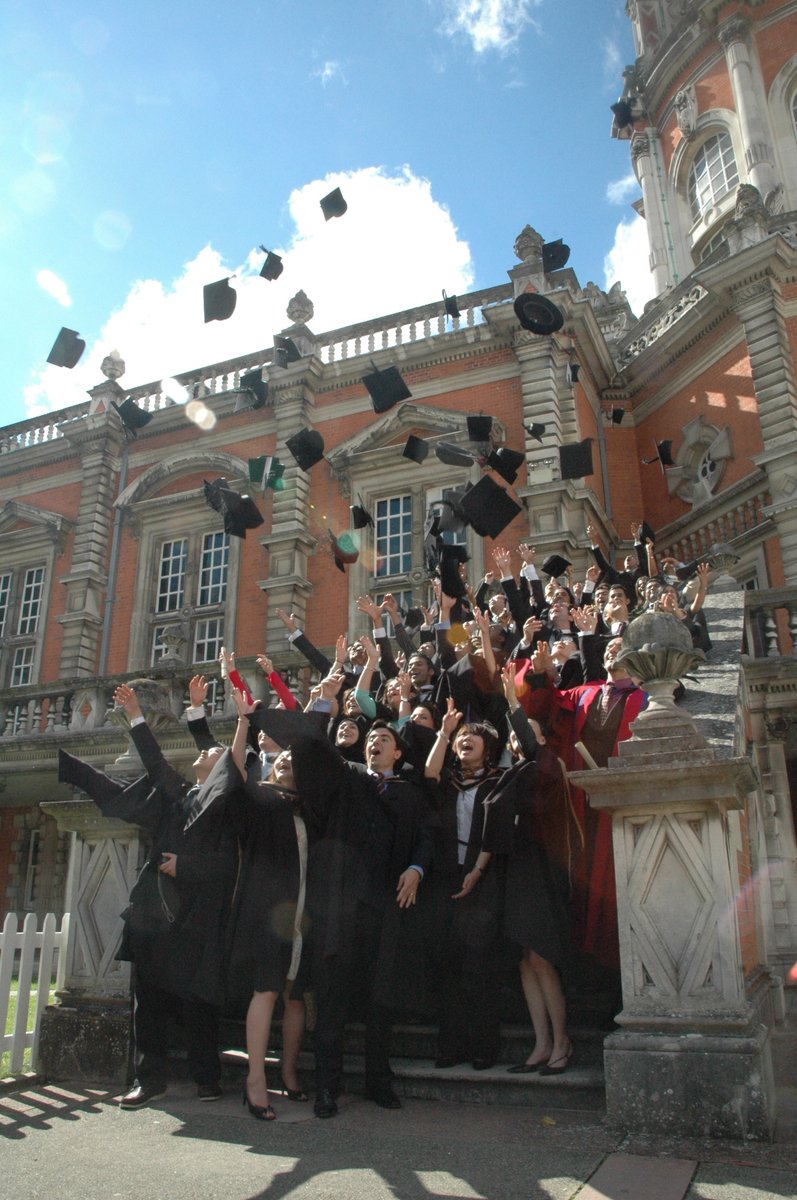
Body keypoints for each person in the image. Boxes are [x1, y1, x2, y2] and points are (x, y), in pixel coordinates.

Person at [58, 683, 241, 1109]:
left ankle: (206, 1078)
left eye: (210, 755)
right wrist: (137, 714)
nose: (202, 755)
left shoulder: (226, 811)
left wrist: (187, 867)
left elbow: (231, 867)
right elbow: (156, 765)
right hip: (153, 914)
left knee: (199, 1002)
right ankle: (149, 1080)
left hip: (195, 920)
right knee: (149, 1003)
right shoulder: (179, 795)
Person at [290, 718, 436, 1118]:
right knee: (332, 1001)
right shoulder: (350, 778)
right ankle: (326, 1089)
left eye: (384, 739)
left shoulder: (410, 793)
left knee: (380, 1002)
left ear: (399, 752)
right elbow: (316, 760)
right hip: (341, 910)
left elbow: (427, 835)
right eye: (371, 739)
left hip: (385, 910)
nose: (374, 743)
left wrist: (416, 868)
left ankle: (379, 1082)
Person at [226, 688, 316, 1121]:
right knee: (266, 990)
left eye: (293, 761)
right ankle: (255, 1080)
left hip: (305, 918)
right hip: (269, 916)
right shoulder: (262, 801)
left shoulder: (312, 812)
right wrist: (245, 722)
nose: (284, 762)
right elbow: (236, 772)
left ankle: (291, 1073)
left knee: (295, 995)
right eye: (281, 758)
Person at [424, 698, 512, 1070]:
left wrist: (477, 870)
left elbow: (498, 832)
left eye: (473, 737)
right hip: (447, 876)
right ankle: (451, 1046)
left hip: (483, 878)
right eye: (462, 738)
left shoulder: (496, 782)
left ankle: (483, 1047)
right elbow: (429, 772)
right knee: (449, 966)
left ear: (488, 748)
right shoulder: (449, 782)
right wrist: (443, 732)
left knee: (479, 967)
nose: (466, 741)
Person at [498, 665, 574, 1076]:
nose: (517, 737)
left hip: (543, 870)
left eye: (525, 731)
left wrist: (513, 702)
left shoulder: (547, 762)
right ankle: (541, 1041)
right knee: (527, 961)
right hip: (518, 868)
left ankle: (562, 1039)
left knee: (542, 957)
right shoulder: (516, 770)